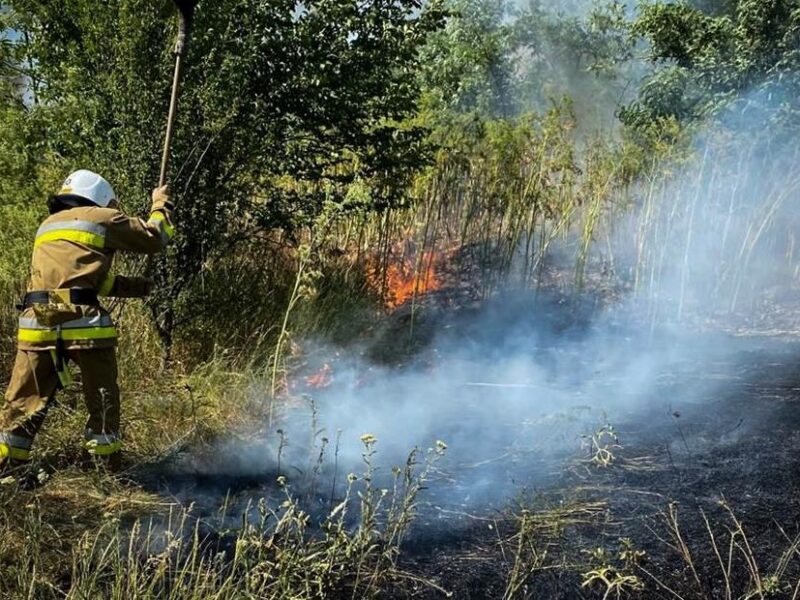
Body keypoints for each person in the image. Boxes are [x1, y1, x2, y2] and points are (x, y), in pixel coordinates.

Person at [0, 170, 175, 479]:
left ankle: (7, 467)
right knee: (102, 400)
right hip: (85, 326)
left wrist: (135, 287)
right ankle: (103, 472)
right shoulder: (103, 217)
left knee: (22, 402)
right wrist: (160, 205)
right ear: (102, 199)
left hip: (38, 322)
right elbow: (155, 237)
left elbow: (83, 280)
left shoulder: (48, 225)